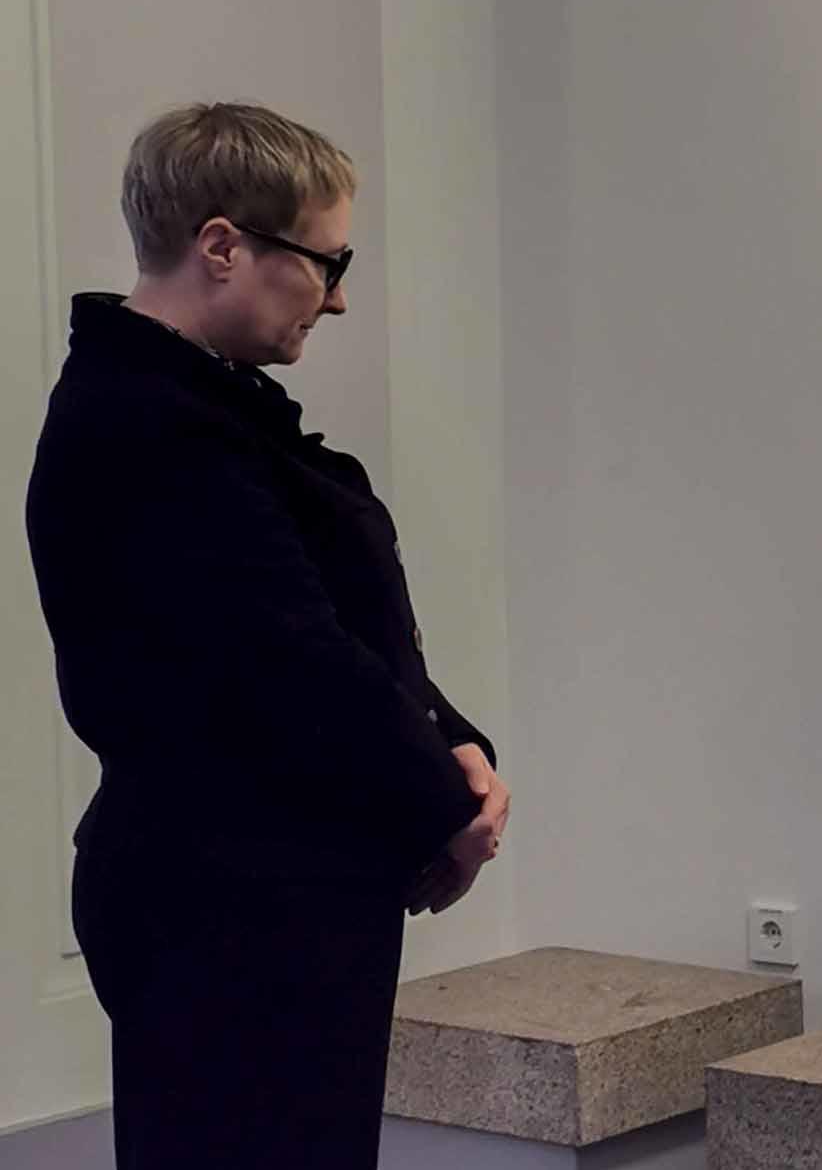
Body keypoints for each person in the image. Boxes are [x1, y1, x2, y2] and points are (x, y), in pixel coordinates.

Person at [25, 103, 511, 1169]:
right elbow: (289, 660)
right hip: (227, 901)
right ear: (221, 246)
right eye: (326, 264)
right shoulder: (147, 423)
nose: (336, 299)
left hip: (269, 888)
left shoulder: (199, 404)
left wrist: (454, 742)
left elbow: (332, 619)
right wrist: (447, 805)